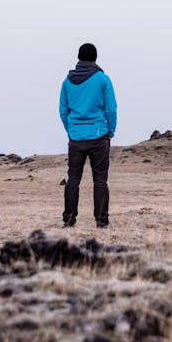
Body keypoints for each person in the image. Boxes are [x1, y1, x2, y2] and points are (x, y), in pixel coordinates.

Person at [59, 43, 117, 228]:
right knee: (100, 179)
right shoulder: (102, 79)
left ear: (78, 57)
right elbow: (111, 109)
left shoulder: (67, 81)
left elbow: (63, 110)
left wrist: (71, 130)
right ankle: (101, 220)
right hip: (99, 135)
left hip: (76, 138)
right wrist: (111, 131)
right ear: (95, 58)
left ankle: (69, 219)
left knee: (73, 179)